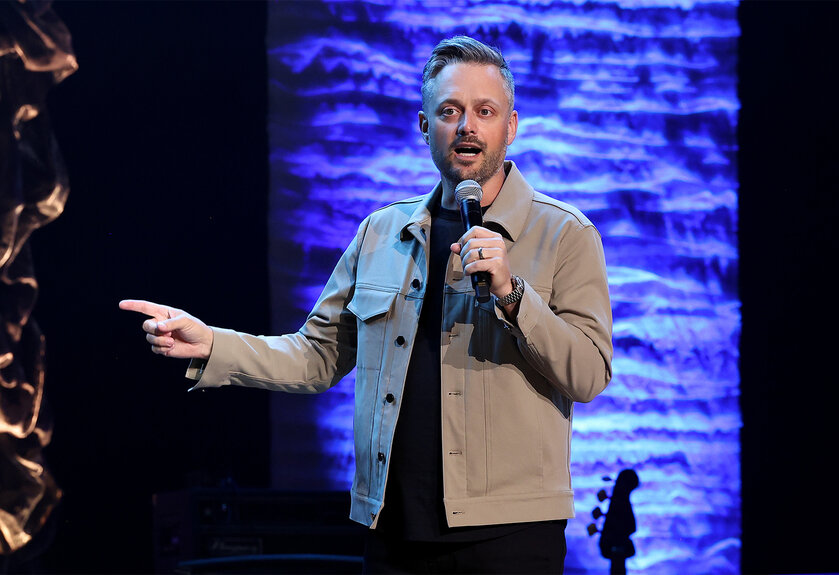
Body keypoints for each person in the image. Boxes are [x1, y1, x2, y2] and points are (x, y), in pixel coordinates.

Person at [121, 36, 613, 574]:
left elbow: (589, 375)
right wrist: (215, 343)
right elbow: (316, 357)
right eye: (449, 111)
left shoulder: (564, 234)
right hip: (394, 531)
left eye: (484, 111)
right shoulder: (381, 233)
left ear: (510, 126)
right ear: (425, 126)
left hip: (510, 539)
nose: (467, 125)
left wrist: (514, 295)